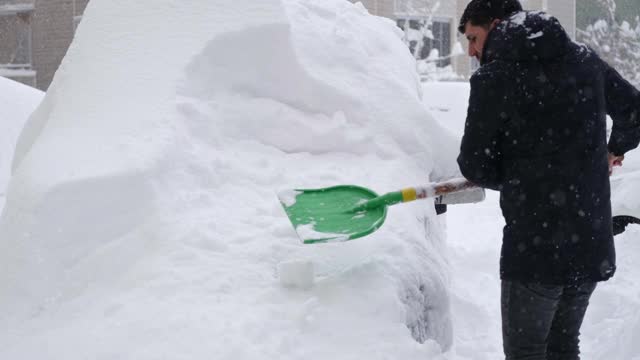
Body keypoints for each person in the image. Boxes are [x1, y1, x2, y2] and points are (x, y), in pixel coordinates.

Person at [456, 0, 640, 359]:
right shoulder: (584, 61)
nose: (472, 51)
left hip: (536, 249)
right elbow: (634, 110)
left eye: (474, 38)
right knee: (562, 348)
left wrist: (519, 176)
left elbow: (474, 165)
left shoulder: (493, 78)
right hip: (589, 241)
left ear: (495, 25)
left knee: (527, 353)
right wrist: (613, 149)